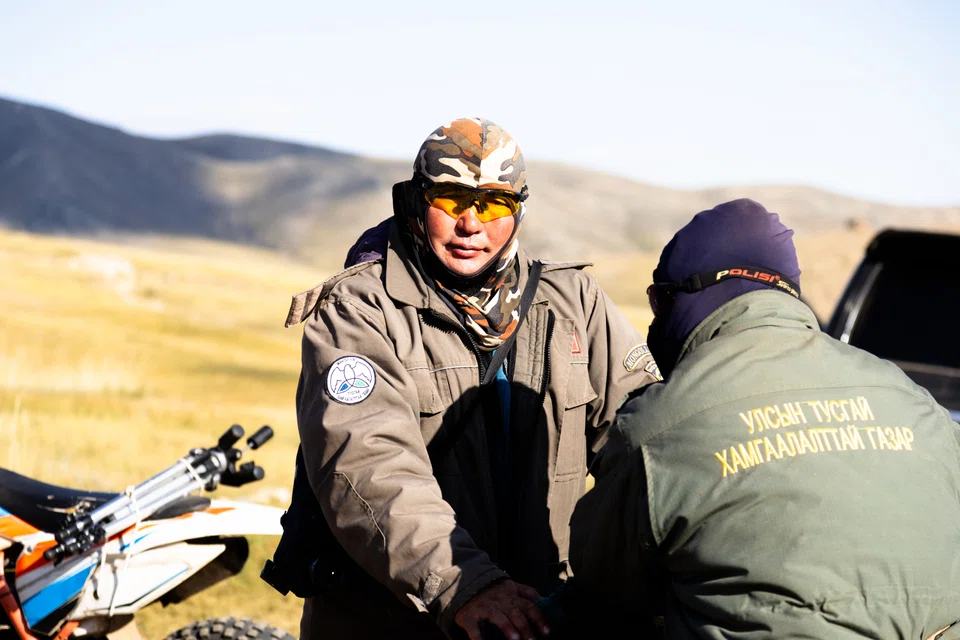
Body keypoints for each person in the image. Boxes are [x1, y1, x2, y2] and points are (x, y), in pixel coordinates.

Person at [281, 117, 660, 640]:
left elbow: (646, 435)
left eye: (494, 204)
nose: (471, 224)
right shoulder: (359, 311)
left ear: (518, 210)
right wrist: (465, 584)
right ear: (416, 201)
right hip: (396, 618)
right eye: (452, 199)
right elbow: (369, 463)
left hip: (537, 617)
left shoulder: (574, 303)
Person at [565, 198, 960, 639]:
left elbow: (605, 589)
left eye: (661, 299)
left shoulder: (657, 426)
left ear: (693, 297)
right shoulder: (916, 402)